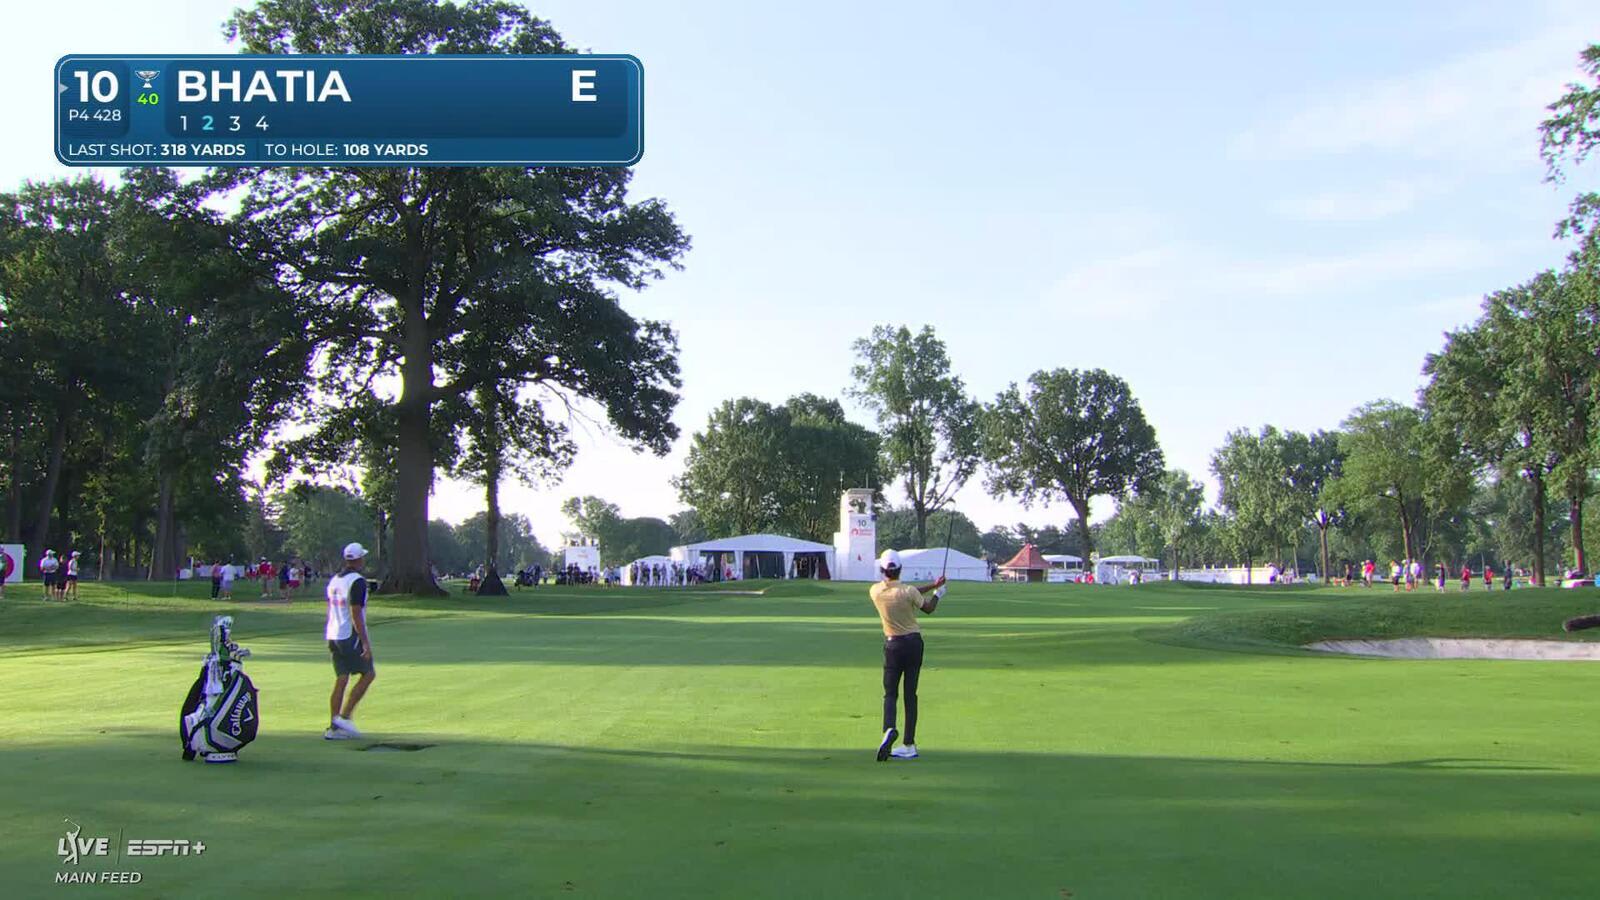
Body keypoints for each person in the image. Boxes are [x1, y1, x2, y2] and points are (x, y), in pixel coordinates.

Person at [869, 549, 947, 762]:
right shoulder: (909, 592)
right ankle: (909, 744)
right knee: (910, 695)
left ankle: (888, 729)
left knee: (890, 694)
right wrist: (938, 594)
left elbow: (906, 591)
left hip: (892, 646)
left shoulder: (875, 591)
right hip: (913, 644)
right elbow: (927, 607)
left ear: (882, 570)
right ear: (900, 569)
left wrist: (933, 585)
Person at [324, 542, 376, 740]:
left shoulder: (335, 580)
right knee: (368, 674)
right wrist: (365, 642)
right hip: (348, 635)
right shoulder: (358, 581)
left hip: (333, 634)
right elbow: (356, 613)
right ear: (359, 559)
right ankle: (344, 718)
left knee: (342, 678)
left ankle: (334, 728)